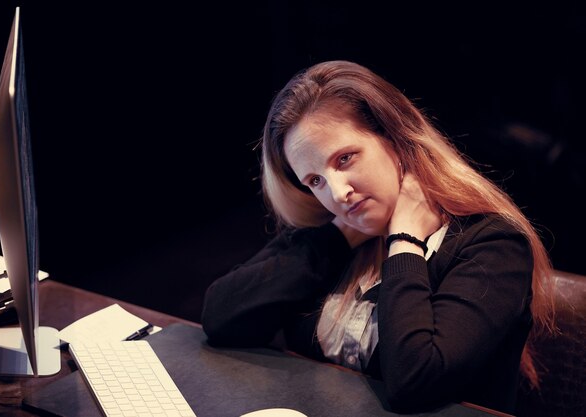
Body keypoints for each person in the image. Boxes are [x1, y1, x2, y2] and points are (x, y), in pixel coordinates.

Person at [200, 60, 556, 414]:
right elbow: (222, 318)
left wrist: (403, 240)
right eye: (315, 181)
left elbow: (416, 381)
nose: (337, 193)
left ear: (396, 139)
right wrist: (338, 238)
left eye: (344, 159)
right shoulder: (336, 232)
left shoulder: (494, 245)